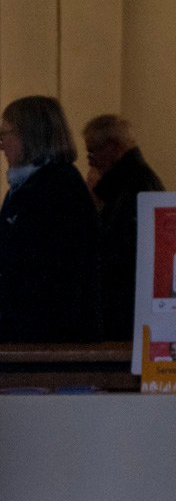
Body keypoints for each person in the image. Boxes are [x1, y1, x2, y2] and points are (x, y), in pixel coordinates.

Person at [0, 96, 101, 345]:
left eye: (4, 135)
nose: (0, 146)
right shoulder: (27, 188)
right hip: (23, 334)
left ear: (30, 135)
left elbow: (48, 274)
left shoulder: (57, 190)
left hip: (44, 339)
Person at [84, 113, 164, 341]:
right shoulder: (134, 183)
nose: (89, 160)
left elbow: (117, 249)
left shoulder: (132, 187)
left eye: (93, 151)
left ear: (113, 147)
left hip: (124, 310)